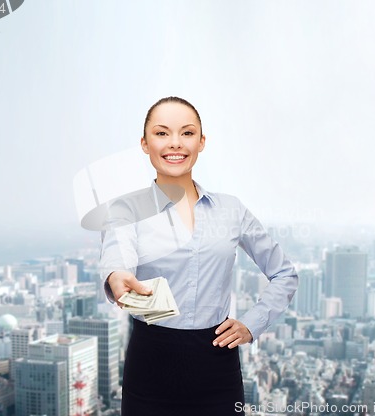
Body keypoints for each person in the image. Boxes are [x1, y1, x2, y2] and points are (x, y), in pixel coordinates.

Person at [99, 96, 298, 416]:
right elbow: (117, 253)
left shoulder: (231, 209)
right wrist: (117, 275)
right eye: (162, 133)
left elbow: (285, 273)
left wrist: (251, 324)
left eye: (187, 133)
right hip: (150, 363)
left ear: (201, 142)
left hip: (217, 363)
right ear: (144, 143)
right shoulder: (127, 208)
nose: (174, 143)